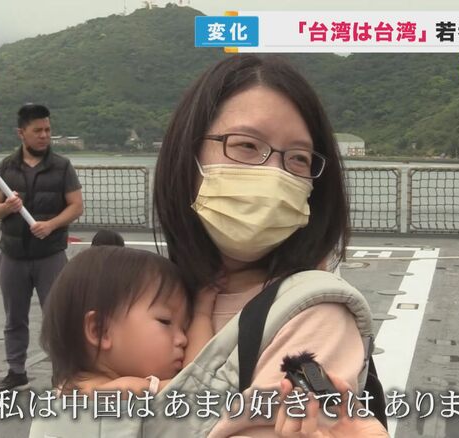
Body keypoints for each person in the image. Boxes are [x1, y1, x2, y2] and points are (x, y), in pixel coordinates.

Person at [153, 54, 383, 436]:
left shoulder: (316, 314)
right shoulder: (148, 290)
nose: (273, 173)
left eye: (298, 158)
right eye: (246, 145)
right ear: (187, 154)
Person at [28, 246, 216, 438]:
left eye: (184, 328)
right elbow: (196, 382)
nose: (183, 339)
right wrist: (202, 314)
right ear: (100, 331)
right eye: (165, 321)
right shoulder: (126, 391)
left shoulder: (60, 394)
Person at [0, 104, 84, 395]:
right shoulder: (5, 168)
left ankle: (62, 377)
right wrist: (7, 207)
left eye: (48, 130)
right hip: (13, 256)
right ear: (21, 133)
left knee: (56, 317)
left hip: (50, 256)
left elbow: (76, 206)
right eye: (37, 130)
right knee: (14, 318)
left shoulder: (62, 166)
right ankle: (16, 373)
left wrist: (51, 225)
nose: (44, 136)